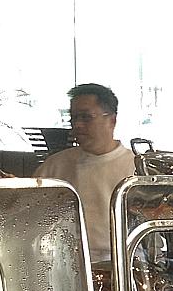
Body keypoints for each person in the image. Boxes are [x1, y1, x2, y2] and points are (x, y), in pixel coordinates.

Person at [34, 83, 135, 261]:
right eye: (74, 118)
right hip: (63, 262)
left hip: (121, 262)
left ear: (112, 120)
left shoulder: (133, 168)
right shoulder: (55, 166)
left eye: (86, 117)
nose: (78, 125)